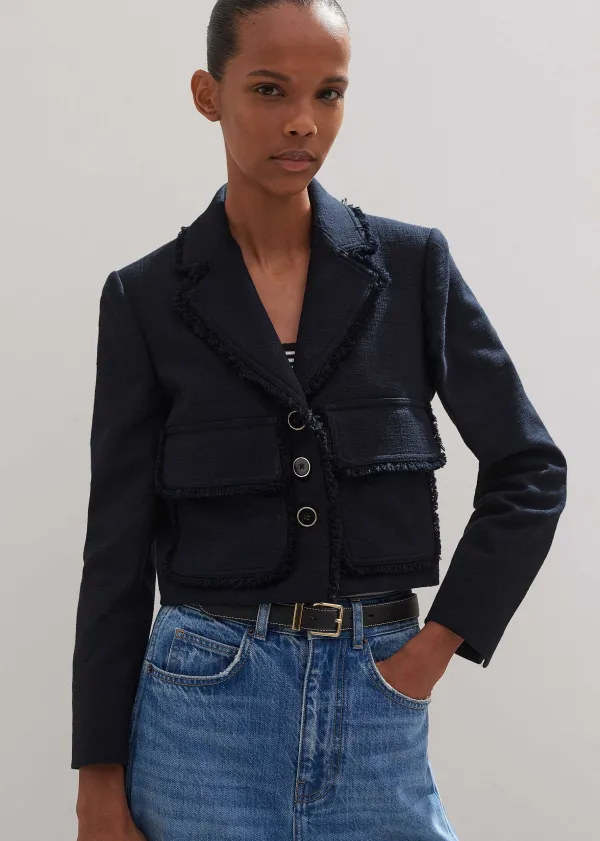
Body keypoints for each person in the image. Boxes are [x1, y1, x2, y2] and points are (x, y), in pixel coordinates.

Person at [72, 1, 568, 839]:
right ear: (208, 94)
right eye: (270, 89)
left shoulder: (412, 268)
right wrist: (97, 780)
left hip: (377, 701)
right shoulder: (145, 298)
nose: (302, 121)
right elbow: (115, 549)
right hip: (200, 712)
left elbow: (532, 469)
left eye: (328, 93)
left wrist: (432, 649)